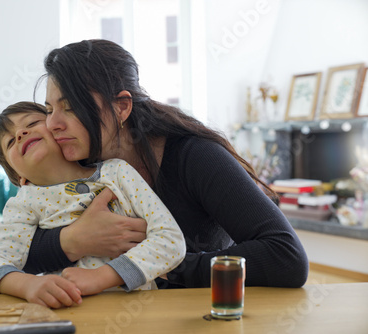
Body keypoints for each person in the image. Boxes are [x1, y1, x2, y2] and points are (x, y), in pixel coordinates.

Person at [23, 39, 309, 289]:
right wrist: (74, 240)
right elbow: (13, 251)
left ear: (122, 106)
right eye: (49, 110)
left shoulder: (194, 157)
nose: (53, 124)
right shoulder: (75, 164)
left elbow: (286, 256)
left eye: (70, 107)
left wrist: (145, 268)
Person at [0, 102, 186, 307]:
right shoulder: (23, 204)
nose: (21, 133)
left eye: (32, 123)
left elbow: (170, 241)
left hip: (137, 311)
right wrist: (29, 285)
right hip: (70, 312)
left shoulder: (118, 172)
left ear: (59, 131)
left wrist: (102, 276)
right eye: (10, 142)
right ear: (18, 176)